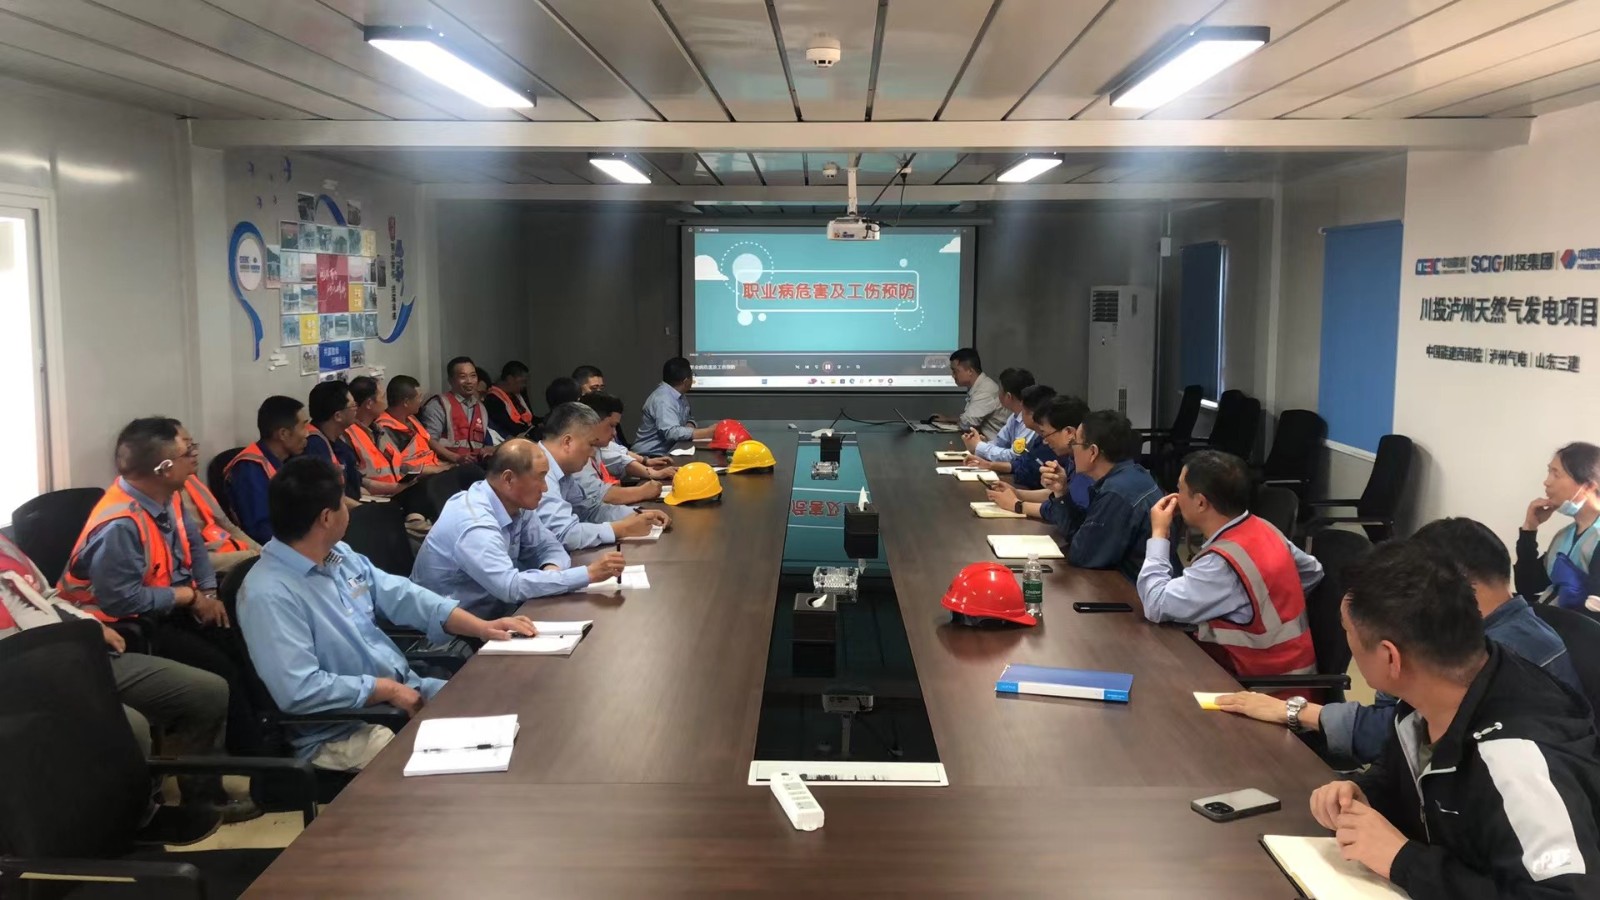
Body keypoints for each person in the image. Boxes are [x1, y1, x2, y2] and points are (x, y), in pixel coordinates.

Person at [1305, 539, 1600, 897]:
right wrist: (1363, 793)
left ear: (1390, 658)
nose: (1347, 642)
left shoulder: (1517, 761)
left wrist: (1403, 860)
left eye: (1347, 631)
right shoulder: (1431, 695)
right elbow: (1401, 773)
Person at [237, 457, 537, 771]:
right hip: (342, 732)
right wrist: (386, 689)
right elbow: (299, 690)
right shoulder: (268, 594)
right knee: (467, 766)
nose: (348, 510)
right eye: (343, 503)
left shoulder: (338, 556)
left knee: (500, 706)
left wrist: (482, 627)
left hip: (402, 694)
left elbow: (405, 596)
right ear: (326, 518)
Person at [1218, 517, 1583, 766]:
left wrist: (1295, 712)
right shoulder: (1479, 630)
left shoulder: (1494, 658)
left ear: (1452, 584)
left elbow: (1398, 734)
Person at [0, 533, 253, 822]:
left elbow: (47, 596)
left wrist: (92, 625)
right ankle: (134, 821)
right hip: (23, 679)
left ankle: (202, 800)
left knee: (207, 691)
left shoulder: (5, 545)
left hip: (77, 654)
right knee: (131, 727)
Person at [59, 418, 263, 761]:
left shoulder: (166, 495)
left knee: (241, 640)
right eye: (187, 451)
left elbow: (194, 546)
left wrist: (208, 595)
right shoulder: (120, 525)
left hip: (166, 605)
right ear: (164, 468)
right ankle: (253, 761)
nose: (194, 456)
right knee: (220, 669)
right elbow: (122, 600)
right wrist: (189, 597)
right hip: (123, 626)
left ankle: (266, 735)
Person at [1138, 451, 1322, 680]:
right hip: (1290, 672)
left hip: (1260, 686)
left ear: (1200, 502)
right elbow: (1313, 572)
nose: (1175, 497)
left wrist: (1159, 533)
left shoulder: (1223, 564)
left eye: (1180, 489)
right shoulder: (1264, 528)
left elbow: (1155, 604)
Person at [412, 440, 627, 618]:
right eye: (540, 477)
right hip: (453, 634)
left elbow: (549, 546)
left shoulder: (515, 504)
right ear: (508, 479)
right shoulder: (474, 522)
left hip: (499, 614)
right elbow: (510, 587)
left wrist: (552, 572)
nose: (545, 487)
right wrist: (588, 574)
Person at [536, 402, 670, 550]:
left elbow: (589, 512)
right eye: (591, 445)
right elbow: (564, 535)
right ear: (567, 442)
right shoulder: (537, 472)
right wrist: (621, 528)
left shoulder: (563, 470)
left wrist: (639, 514)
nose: (592, 453)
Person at [1054, 410, 1162, 580]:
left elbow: (1082, 555)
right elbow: (1084, 532)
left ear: (1093, 452)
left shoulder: (1116, 492)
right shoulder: (1133, 474)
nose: (1072, 449)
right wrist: (1062, 492)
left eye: (1075, 443)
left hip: (1134, 589)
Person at [1517, 441, 1600, 609]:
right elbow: (1527, 586)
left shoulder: (1596, 539)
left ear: (1588, 486)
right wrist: (1529, 529)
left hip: (1573, 625)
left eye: (1556, 474)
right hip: (1550, 620)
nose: (1547, 482)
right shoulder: (1564, 536)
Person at [984, 395, 1092, 521]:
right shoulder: (1071, 458)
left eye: (1045, 434)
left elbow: (1066, 514)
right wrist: (1017, 493)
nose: (1045, 441)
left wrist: (1017, 505)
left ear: (1069, 432)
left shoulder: (1087, 467)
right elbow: (1057, 495)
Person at [224, 395, 310, 544]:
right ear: (283, 434)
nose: (307, 433)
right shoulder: (249, 469)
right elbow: (260, 530)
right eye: (303, 426)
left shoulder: (286, 460)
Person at [579, 392, 674, 506]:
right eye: (611, 426)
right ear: (590, 422)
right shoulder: (577, 457)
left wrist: (645, 461)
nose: (614, 433)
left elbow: (617, 450)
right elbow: (599, 496)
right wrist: (642, 491)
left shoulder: (596, 446)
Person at [966, 384, 1056, 488]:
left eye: (1023, 411)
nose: (1021, 415)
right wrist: (988, 465)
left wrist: (979, 446)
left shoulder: (1050, 443)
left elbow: (1014, 456)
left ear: (1033, 414)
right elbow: (1020, 463)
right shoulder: (1040, 439)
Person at [633, 357, 716, 456]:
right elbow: (671, 432)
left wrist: (689, 426)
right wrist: (707, 432)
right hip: (650, 455)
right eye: (692, 375)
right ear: (686, 381)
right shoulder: (663, 399)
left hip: (670, 450)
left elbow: (688, 418)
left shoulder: (679, 395)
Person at [419, 356, 491, 465]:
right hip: (446, 465)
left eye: (473, 376)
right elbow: (429, 440)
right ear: (451, 380)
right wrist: (456, 458)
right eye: (463, 377)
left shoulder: (481, 408)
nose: (469, 381)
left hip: (474, 465)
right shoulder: (439, 405)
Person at [377, 375, 452, 476]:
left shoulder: (411, 418)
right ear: (406, 402)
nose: (421, 401)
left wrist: (455, 458)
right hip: (419, 478)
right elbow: (399, 468)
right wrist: (439, 470)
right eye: (419, 397)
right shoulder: (385, 429)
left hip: (435, 466)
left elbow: (428, 440)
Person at [304, 380, 363, 505]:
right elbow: (328, 496)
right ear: (338, 416)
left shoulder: (337, 441)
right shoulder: (314, 445)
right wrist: (364, 510)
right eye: (353, 406)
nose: (356, 409)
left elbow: (356, 483)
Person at [963, 367, 1036, 462]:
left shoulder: (1031, 421)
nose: (998, 394)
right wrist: (981, 443)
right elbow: (999, 443)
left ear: (1008, 396)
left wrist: (979, 446)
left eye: (1000, 391)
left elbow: (1014, 456)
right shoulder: (1014, 418)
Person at [932, 348, 1008, 438]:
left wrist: (954, 421)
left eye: (955, 371)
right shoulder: (980, 386)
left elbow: (968, 424)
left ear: (970, 371)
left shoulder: (986, 390)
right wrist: (948, 419)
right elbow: (969, 419)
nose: (952, 375)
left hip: (994, 444)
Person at [484, 361, 535, 439]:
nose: (524, 386)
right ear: (510, 379)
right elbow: (506, 425)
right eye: (523, 382)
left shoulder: (518, 394)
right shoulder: (493, 399)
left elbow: (530, 418)